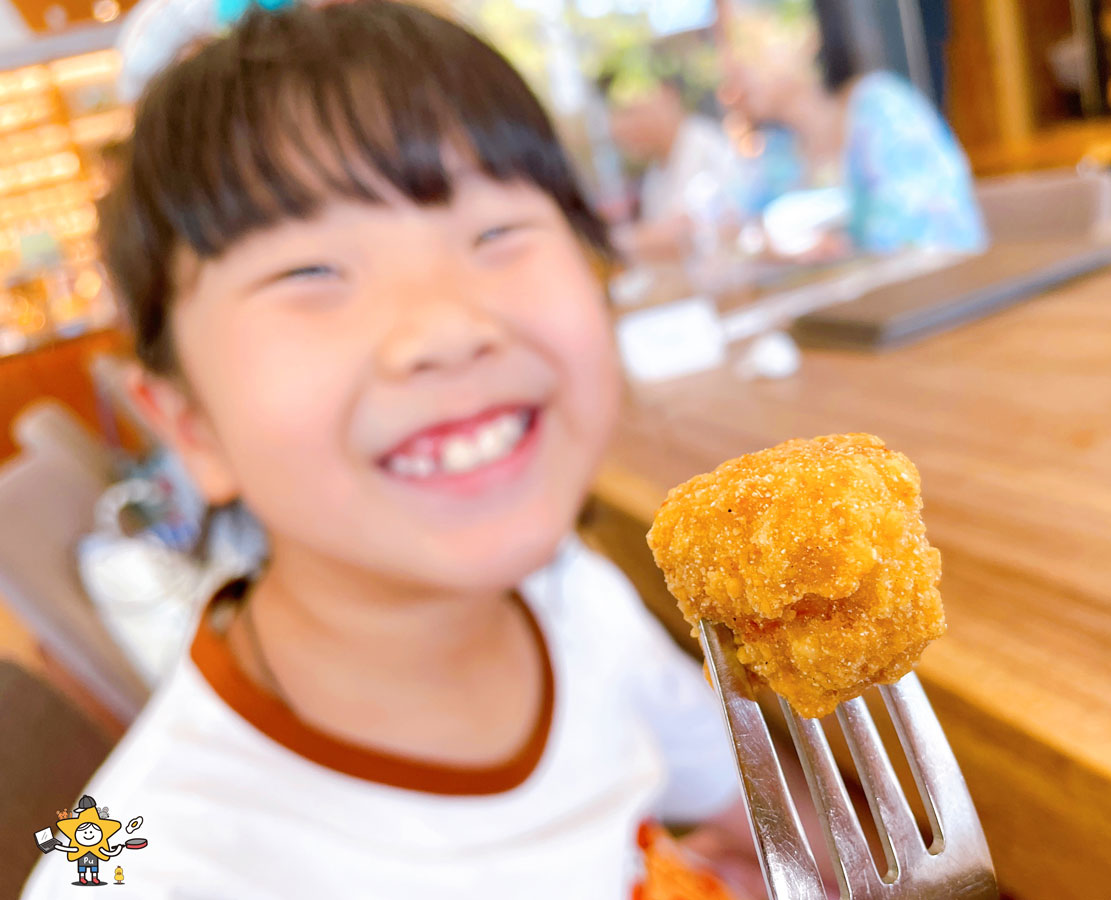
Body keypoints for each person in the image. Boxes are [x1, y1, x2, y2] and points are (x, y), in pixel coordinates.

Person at [21, 2, 769, 897]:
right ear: (190, 426)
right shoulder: (135, 869)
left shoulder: (574, 597)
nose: (445, 328)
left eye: (496, 233)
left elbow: (761, 815)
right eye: (310, 274)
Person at [721, 2, 986, 255]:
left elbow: (922, 245)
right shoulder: (778, 154)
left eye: (742, 40)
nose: (728, 66)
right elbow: (732, 234)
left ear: (805, 33)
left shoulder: (882, 111)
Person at [600, 69, 747, 261]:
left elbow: (688, 231)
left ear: (667, 96)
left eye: (630, 112)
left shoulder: (702, 146)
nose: (619, 128)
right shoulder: (658, 171)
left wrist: (604, 244)